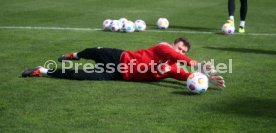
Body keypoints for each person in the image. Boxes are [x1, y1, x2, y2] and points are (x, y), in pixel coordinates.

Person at [22, 37, 225, 89]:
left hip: (116, 74)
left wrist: (206, 78)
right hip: (118, 57)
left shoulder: (171, 68)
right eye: (178, 48)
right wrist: (195, 62)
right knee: (91, 51)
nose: (179, 52)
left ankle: (42, 70)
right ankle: (73, 55)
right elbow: (183, 60)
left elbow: (187, 75)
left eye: (182, 51)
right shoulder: (163, 47)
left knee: (80, 75)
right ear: (173, 45)